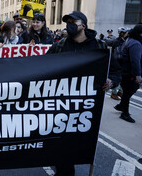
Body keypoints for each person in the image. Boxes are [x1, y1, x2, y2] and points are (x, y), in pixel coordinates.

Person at [47, 11, 121, 176]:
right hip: (62, 103)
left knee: (80, 141)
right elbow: (43, 67)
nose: (69, 25)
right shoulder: (59, 46)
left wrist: (111, 81)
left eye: (74, 22)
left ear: (84, 26)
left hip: (88, 105)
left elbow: (116, 71)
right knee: (62, 143)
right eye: (68, 22)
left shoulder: (100, 47)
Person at [114, 24, 142, 123]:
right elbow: (135, 61)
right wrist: (137, 75)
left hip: (124, 71)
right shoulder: (136, 44)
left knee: (127, 90)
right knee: (129, 91)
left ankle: (121, 106)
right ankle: (124, 113)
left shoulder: (129, 40)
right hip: (129, 72)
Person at [108, 27, 131, 100]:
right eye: (126, 33)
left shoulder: (126, 40)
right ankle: (113, 93)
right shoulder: (117, 41)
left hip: (124, 62)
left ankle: (120, 91)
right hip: (118, 62)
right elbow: (118, 54)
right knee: (117, 77)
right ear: (122, 33)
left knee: (124, 78)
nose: (127, 34)